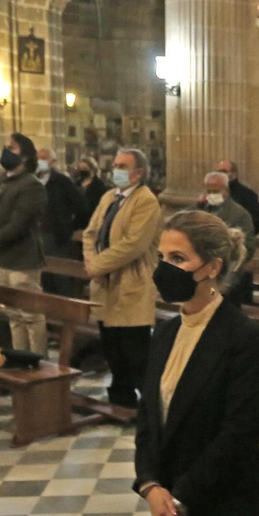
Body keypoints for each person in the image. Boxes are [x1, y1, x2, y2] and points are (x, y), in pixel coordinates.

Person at [135, 211, 259, 516]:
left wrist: (181, 499)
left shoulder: (246, 340)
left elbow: (238, 436)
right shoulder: (166, 333)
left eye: (178, 257)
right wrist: (150, 484)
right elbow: (149, 422)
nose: (165, 268)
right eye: (162, 256)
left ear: (212, 267)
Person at [83, 147, 163, 408]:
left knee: (136, 351)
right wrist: (93, 264)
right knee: (112, 347)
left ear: (138, 173)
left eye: (122, 166)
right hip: (105, 284)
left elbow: (133, 244)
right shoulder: (109, 197)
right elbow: (90, 233)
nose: (115, 170)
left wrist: (97, 267)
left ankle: (154, 405)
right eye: (115, 165)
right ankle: (122, 398)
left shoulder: (146, 201)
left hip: (132, 282)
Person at [0, 133, 49, 356]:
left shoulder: (32, 185)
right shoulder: (2, 179)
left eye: (12, 148)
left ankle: (38, 361)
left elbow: (19, 223)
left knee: (30, 314)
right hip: (4, 258)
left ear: (26, 156)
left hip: (23, 258)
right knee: (13, 314)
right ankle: (20, 358)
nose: (6, 150)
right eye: (5, 146)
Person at [198, 171, 257, 305]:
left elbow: (249, 246)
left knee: (216, 292)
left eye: (216, 190)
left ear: (226, 190)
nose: (212, 194)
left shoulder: (239, 214)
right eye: (209, 190)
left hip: (228, 269)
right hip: (203, 266)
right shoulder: (201, 210)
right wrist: (198, 206)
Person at [37, 146, 91, 292]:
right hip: (35, 235)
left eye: (42, 158)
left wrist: (70, 226)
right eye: (37, 158)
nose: (38, 162)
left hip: (55, 237)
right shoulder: (33, 181)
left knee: (59, 277)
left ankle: (63, 310)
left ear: (52, 162)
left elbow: (82, 206)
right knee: (41, 277)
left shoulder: (62, 182)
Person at [217, 159, 259, 235]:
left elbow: (257, 219)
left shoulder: (248, 194)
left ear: (234, 174)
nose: (220, 175)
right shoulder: (215, 193)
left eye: (224, 171)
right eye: (219, 172)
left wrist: (247, 236)